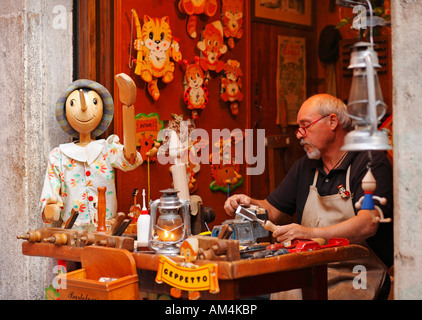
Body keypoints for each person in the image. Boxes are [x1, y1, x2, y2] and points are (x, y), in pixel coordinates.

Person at [224, 94, 393, 300]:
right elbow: (272, 211)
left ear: (332, 121)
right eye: (298, 128)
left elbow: (368, 222)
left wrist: (310, 233)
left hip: (357, 272)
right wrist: (249, 204)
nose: (299, 135)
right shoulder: (305, 167)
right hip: (309, 269)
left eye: (305, 125)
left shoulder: (369, 162)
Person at [40, 78, 143, 229]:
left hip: (107, 230)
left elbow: (130, 158)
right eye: (73, 103)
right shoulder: (59, 156)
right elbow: (50, 199)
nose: (84, 109)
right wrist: (51, 208)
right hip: (72, 233)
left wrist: (128, 109)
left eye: (94, 103)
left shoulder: (106, 148)